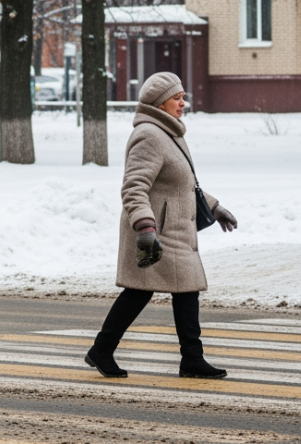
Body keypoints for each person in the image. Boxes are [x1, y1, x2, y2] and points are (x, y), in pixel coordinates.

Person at [85, 71, 238, 380]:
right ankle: (109, 350)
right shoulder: (149, 136)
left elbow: (182, 186)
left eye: (183, 97)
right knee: (148, 291)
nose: (184, 103)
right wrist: (144, 227)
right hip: (156, 231)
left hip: (176, 230)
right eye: (177, 98)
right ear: (159, 102)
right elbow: (134, 187)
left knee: (179, 290)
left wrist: (213, 206)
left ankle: (188, 358)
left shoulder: (170, 134)